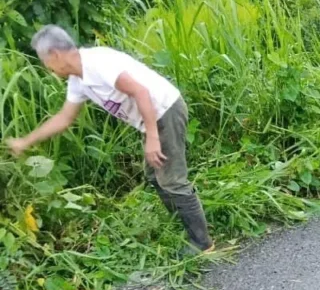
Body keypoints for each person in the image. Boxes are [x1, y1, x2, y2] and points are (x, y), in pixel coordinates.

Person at [4, 25, 214, 252]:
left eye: (45, 61)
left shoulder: (98, 63)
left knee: (171, 179)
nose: (48, 69)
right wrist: (26, 141)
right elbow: (64, 118)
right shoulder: (79, 80)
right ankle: (186, 224)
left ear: (55, 55)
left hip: (164, 111)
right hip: (153, 118)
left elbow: (141, 92)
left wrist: (152, 137)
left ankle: (202, 242)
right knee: (155, 175)